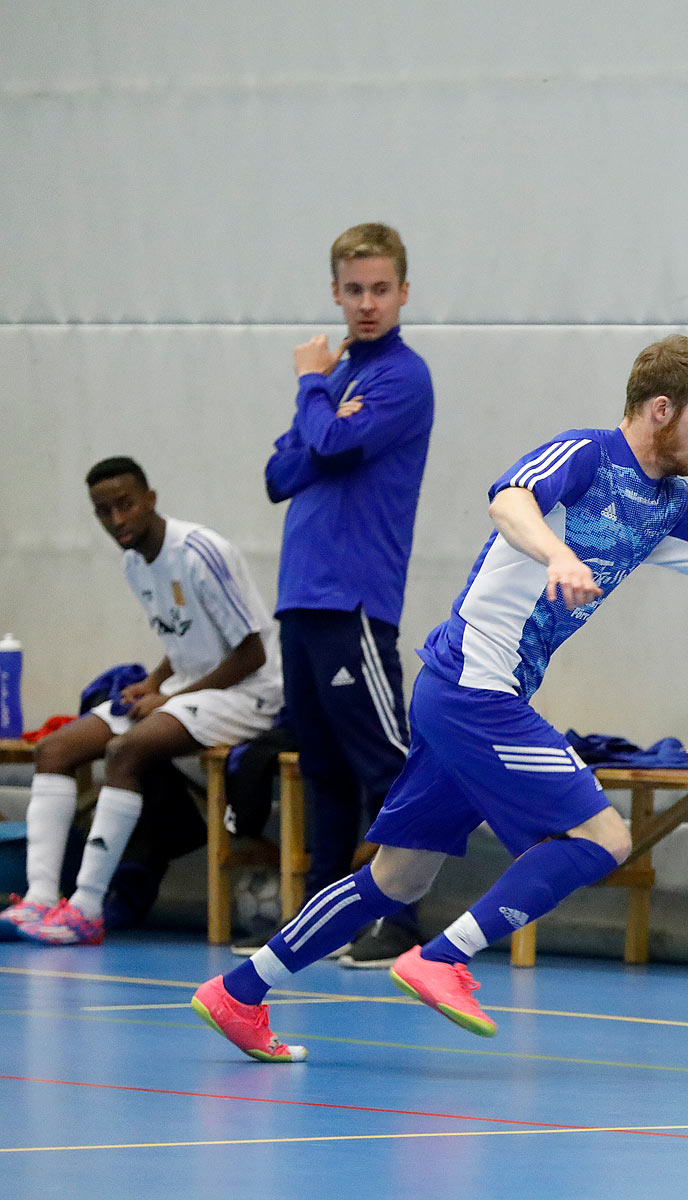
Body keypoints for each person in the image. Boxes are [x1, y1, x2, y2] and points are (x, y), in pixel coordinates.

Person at [191, 334, 688, 1063]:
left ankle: (240, 990)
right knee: (603, 838)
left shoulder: (670, 506)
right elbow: (509, 501)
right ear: (661, 409)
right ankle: (442, 960)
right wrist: (559, 552)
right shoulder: (586, 454)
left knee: (398, 879)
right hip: (472, 688)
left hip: (470, 698)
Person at [1, 458, 283, 945]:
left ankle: (86, 908)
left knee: (126, 751)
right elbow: (183, 642)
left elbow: (251, 654)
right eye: (103, 512)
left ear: (150, 500)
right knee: (56, 750)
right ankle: (40, 901)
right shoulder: (135, 563)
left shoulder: (198, 552)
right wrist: (154, 683)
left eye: (126, 505)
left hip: (249, 693)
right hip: (192, 690)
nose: (117, 520)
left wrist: (169, 700)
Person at [253, 222, 434, 967]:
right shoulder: (341, 380)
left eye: (380, 290)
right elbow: (279, 474)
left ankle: (402, 919)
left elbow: (323, 447)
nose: (366, 304)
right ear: (335, 292)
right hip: (301, 596)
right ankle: (319, 927)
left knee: (385, 763)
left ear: (402, 293)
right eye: (354, 290)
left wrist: (310, 395)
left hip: (353, 600)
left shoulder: (401, 376)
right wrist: (325, 411)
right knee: (321, 769)